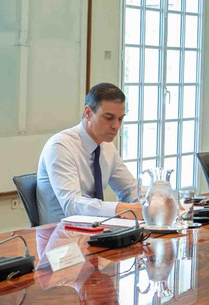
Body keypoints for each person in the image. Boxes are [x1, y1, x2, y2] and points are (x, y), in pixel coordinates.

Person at [36, 83, 144, 224]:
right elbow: (72, 205)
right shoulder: (60, 146)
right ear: (88, 113)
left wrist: (155, 200)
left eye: (120, 119)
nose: (116, 126)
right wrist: (120, 208)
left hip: (97, 230)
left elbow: (129, 190)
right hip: (59, 232)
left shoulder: (107, 146)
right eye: (108, 118)